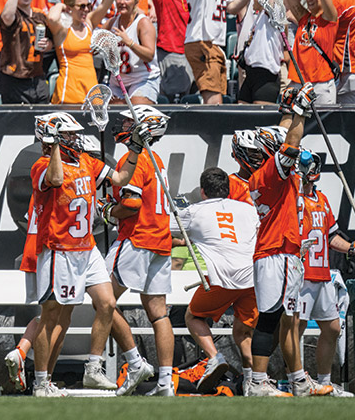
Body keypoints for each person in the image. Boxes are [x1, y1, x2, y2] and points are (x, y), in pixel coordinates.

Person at [28, 111, 138, 397]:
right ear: (53, 138)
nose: (75, 140)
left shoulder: (87, 161)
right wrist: (52, 146)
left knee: (107, 303)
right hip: (59, 249)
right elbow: (54, 179)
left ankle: (93, 367)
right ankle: (41, 382)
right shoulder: (41, 165)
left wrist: (135, 148)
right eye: (69, 135)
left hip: (86, 249)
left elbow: (121, 176)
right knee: (51, 314)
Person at [245, 85, 330, 396]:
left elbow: (288, 137)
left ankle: (297, 379)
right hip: (276, 252)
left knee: (286, 319)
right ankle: (258, 382)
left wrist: (291, 109)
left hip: (286, 251)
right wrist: (298, 112)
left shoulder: (273, 175)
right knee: (270, 319)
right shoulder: (267, 174)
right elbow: (290, 144)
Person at [105, 107, 175, 396]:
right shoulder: (156, 158)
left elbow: (131, 205)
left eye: (128, 121)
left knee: (102, 301)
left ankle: (135, 362)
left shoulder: (133, 159)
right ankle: (165, 382)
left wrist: (109, 211)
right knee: (159, 314)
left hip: (137, 239)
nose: (122, 124)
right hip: (160, 241)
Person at [173, 166, 261, 394]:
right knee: (243, 333)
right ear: (228, 189)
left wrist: (180, 237)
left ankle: (215, 357)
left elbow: (161, 229)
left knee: (193, 316)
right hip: (252, 278)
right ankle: (255, 380)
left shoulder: (193, 211)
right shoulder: (248, 209)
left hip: (222, 278)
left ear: (203, 191)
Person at [298, 152, 355, 395]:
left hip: (321, 274)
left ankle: (324, 383)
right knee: (294, 329)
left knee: (331, 328)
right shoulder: (291, 199)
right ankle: (297, 382)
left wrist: (353, 248)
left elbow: (331, 236)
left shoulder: (320, 199)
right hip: (299, 274)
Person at [185, 0, 252, 104]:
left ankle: (212, 130)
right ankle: (211, 131)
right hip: (201, 40)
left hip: (214, 42)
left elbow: (232, 7)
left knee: (217, 97)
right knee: (213, 98)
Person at [42, 0, 115, 105]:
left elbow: (104, 6)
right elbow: (51, 18)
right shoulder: (62, 29)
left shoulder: (88, 24)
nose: (86, 9)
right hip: (69, 91)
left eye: (88, 6)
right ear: (70, 8)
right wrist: (61, 5)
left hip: (91, 90)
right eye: (81, 6)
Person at [102, 0, 160, 103]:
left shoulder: (143, 23)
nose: (122, 2)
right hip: (118, 82)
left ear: (136, 2)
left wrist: (130, 43)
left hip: (142, 79)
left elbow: (149, 55)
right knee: (114, 116)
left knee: (135, 111)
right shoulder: (111, 24)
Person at [0, 0, 48, 104]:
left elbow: (52, 42)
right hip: (15, 79)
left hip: (38, 79)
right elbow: (7, 17)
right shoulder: (13, 14)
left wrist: (47, 44)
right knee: (17, 123)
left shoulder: (40, 15)